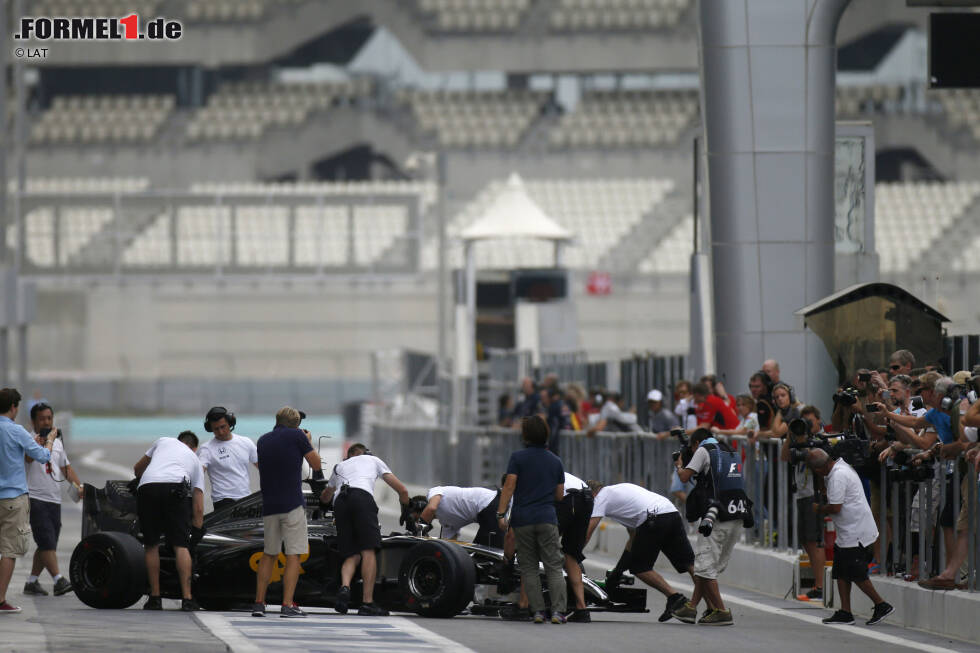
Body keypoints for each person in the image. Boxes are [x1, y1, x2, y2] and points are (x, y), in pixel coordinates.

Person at [320, 442, 410, 617]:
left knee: (351, 553)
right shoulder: (373, 460)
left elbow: (325, 496)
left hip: (341, 503)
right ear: (366, 453)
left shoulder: (340, 466)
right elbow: (402, 490)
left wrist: (323, 503)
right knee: (368, 550)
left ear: (349, 455)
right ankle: (367, 603)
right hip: (361, 498)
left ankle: (345, 587)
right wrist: (406, 510)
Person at [673, 428, 752, 626]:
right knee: (706, 566)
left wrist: (680, 465)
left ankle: (721, 611)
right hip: (738, 513)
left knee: (705, 565)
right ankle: (691, 608)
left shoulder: (703, 450)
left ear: (696, 443)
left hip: (715, 516)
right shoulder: (729, 450)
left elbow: (684, 478)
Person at [584, 481, 692, 623]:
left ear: (592, 494)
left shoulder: (600, 498)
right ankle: (713, 607)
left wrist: (571, 554)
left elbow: (588, 532)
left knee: (640, 568)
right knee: (690, 563)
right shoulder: (618, 495)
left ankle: (675, 598)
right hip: (670, 511)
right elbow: (633, 537)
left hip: (654, 517)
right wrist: (619, 570)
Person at [807, 449, 893, 626]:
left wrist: (818, 509)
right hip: (847, 531)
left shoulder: (838, 476)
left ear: (819, 469)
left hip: (855, 531)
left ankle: (881, 604)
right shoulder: (837, 468)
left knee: (856, 573)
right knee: (841, 572)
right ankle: (845, 612)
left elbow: (835, 507)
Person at [496, 415, 567, 624]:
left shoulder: (517, 458)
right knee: (553, 566)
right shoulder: (555, 461)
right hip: (546, 518)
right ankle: (558, 612)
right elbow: (560, 495)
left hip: (522, 519)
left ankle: (537, 612)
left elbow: (509, 486)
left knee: (529, 568)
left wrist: (501, 514)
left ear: (525, 435)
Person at [252, 406, 322, 618]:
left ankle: (258, 603)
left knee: (269, 553)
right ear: (296, 424)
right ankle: (287, 604)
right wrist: (307, 441)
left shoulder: (263, 440)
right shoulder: (297, 436)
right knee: (294, 555)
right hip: (292, 504)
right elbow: (316, 464)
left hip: (270, 504)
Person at [133, 431, 206, 612]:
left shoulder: (163, 441)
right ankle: (187, 598)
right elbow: (198, 507)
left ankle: (155, 598)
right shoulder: (195, 460)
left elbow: (137, 469)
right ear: (194, 448)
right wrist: (196, 531)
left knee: (151, 545)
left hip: (148, 486)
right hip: (176, 486)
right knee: (180, 546)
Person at [0, 388, 56, 614]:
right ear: (14, 407)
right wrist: (49, 440)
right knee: (9, 550)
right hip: (13, 498)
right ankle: (0, 599)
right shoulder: (16, 431)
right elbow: (43, 456)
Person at [23, 402, 83, 597]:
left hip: (53, 499)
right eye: (42, 419)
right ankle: (59, 580)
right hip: (35, 496)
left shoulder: (57, 442)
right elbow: (29, 459)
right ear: (33, 421)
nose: (46, 422)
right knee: (46, 541)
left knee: (47, 543)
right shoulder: (28, 440)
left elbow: (66, 468)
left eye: (49, 418)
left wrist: (78, 486)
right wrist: (40, 443)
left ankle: (32, 582)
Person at [779, 405, 826, 600]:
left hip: (814, 494)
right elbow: (784, 457)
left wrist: (808, 446)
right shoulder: (797, 440)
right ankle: (818, 584)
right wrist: (792, 434)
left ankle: (821, 586)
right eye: (803, 422)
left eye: (810, 422)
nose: (806, 426)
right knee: (807, 541)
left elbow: (821, 467)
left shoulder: (822, 441)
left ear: (818, 421)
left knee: (814, 541)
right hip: (801, 494)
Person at [197, 406, 257, 511]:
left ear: (230, 423)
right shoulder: (206, 449)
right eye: (216, 429)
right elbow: (198, 473)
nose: (220, 432)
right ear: (210, 428)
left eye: (223, 427)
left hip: (246, 499)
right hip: (222, 501)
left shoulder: (246, 442)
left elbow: (264, 467)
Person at [415, 483, 504, 547]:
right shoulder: (446, 523)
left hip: (489, 503)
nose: (417, 521)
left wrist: (419, 531)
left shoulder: (433, 491)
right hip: (486, 511)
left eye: (416, 518)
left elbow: (431, 508)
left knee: (486, 553)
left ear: (422, 506)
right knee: (480, 553)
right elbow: (449, 547)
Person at [558, 472, 594, 623]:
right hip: (586, 497)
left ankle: (534, 604)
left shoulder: (524, 474)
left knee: (543, 548)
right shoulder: (553, 464)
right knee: (571, 555)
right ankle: (582, 608)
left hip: (567, 499)